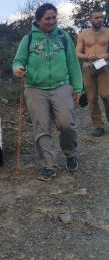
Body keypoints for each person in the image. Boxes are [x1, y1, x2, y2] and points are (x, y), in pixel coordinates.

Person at [12, 3, 83, 181]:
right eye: (47, 18)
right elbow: (18, 61)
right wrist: (18, 68)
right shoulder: (28, 39)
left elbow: (73, 64)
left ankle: (70, 154)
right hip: (35, 88)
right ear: (37, 20)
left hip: (61, 86)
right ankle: (48, 165)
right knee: (41, 127)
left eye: (53, 18)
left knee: (67, 124)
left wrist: (77, 87)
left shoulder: (63, 37)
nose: (51, 22)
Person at [76, 8, 109, 137]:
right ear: (90, 19)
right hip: (88, 68)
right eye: (96, 17)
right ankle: (98, 126)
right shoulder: (83, 34)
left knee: (106, 95)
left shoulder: (107, 32)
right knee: (92, 99)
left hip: (104, 67)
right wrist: (87, 57)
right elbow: (77, 53)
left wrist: (105, 56)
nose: (99, 19)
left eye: (101, 17)